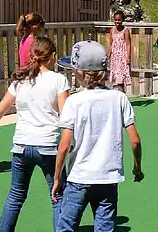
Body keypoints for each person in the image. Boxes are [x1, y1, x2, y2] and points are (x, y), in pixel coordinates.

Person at [0, 37, 71, 232]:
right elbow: (66, 115)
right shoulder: (59, 80)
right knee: (57, 195)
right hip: (48, 146)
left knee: (16, 195)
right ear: (52, 56)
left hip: (21, 146)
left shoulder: (20, 81)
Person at [52, 40, 144, 232]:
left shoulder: (73, 101)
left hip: (79, 177)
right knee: (104, 227)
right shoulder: (119, 98)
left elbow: (64, 145)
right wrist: (137, 166)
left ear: (80, 72)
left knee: (66, 226)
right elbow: (135, 140)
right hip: (108, 178)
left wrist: (57, 178)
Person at [107, 10, 132, 92]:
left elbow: (128, 44)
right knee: (115, 77)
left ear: (122, 20)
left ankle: (122, 93)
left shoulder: (125, 30)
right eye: (116, 20)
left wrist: (128, 57)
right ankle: (116, 93)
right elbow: (111, 44)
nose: (117, 22)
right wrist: (109, 55)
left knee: (121, 77)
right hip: (115, 57)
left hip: (122, 57)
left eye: (119, 20)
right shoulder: (112, 30)